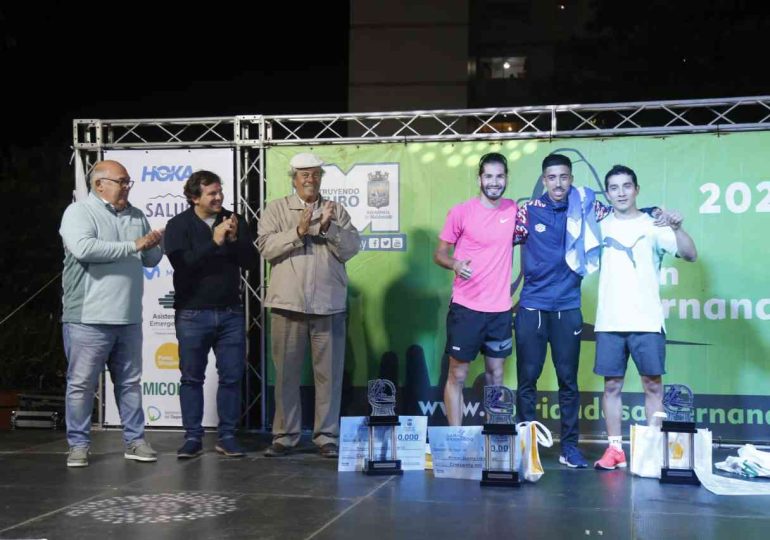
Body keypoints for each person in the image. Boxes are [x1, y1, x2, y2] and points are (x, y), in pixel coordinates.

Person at [592, 165, 697, 470]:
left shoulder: (655, 225)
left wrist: (676, 228)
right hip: (610, 322)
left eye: (627, 186)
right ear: (608, 193)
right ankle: (615, 449)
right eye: (614, 187)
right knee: (611, 387)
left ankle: (652, 450)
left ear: (637, 189)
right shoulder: (599, 226)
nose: (621, 192)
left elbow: (690, 254)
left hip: (647, 321)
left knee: (653, 386)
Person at [59, 160, 163, 467]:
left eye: (129, 181)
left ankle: (135, 440)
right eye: (122, 181)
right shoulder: (79, 212)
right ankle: (78, 445)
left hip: (128, 316)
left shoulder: (136, 214)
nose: (127, 186)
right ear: (99, 184)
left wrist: (155, 244)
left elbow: (150, 260)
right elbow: (85, 249)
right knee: (81, 384)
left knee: (130, 382)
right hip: (87, 317)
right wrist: (134, 244)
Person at [257, 152, 360, 458]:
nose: (310, 180)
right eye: (304, 175)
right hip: (288, 305)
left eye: (315, 174)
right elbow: (266, 248)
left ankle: (326, 437)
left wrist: (329, 229)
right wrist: (299, 231)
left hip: (328, 306)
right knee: (286, 374)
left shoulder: (335, 210)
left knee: (329, 375)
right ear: (294, 179)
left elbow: (352, 248)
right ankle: (285, 435)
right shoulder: (276, 209)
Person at [165, 170, 257, 458]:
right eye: (211, 194)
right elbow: (184, 264)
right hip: (192, 313)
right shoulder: (178, 225)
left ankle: (227, 436)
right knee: (192, 378)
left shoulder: (233, 220)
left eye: (220, 192)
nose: (219, 198)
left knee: (231, 376)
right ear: (194, 197)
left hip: (230, 312)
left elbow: (251, 262)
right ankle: (193, 437)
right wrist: (214, 242)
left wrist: (232, 240)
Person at [434, 152, 519, 426]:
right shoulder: (461, 212)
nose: (494, 182)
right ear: (479, 178)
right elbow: (440, 254)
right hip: (467, 308)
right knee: (457, 375)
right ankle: (456, 439)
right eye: (489, 176)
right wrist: (455, 264)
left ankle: (496, 436)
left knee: (496, 375)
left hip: (500, 311)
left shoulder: (514, 210)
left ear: (506, 178)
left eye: (500, 176)